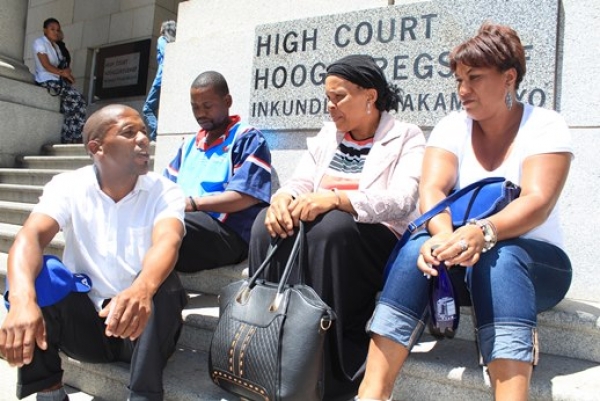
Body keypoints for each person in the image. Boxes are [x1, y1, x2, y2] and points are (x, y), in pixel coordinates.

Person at [356, 23, 573, 401]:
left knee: (502, 257)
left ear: (509, 78)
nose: (463, 90)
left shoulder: (545, 125)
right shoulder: (452, 126)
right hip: (464, 259)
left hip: (536, 267)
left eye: (474, 78)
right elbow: (433, 190)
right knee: (414, 250)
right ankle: (371, 394)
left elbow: (537, 201)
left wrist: (482, 232)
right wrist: (443, 239)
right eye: (458, 79)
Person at [248, 54, 425, 400]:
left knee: (333, 227)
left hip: (374, 238)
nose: (330, 106)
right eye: (328, 98)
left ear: (370, 97)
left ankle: (331, 366)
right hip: (327, 233)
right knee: (263, 225)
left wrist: (338, 199)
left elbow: (402, 200)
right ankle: (267, 345)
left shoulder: (406, 136)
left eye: (339, 96)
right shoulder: (329, 135)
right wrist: (282, 200)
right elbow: (299, 181)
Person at [0, 105, 187, 401]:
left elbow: (168, 241)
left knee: (163, 281)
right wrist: (21, 301)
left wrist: (141, 289)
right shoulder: (69, 185)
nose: (143, 139)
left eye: (145, 132)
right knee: (41, 273)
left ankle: (144, 396)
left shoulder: (164, 191)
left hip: (143, 328)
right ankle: (48, 391)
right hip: (87, 327)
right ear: (96, 147)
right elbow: (30, 237)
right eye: (129, 132)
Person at [164, 71, 272, 273]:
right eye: (195, 107)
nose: (200, 113)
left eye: (207, 106)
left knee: (167, 225)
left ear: (227, 101)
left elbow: (246, 196)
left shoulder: (247, 138)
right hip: (189, 224)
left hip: (228, 233)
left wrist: (192, 204)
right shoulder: (188, 145)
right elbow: (165, 188)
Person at [32, 18, 87, 144]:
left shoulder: (56, 46)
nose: (55, 32)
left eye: (58, 30)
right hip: (46, 80)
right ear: (45, 30)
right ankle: (74, 135)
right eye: (52, 29)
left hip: (58, 80)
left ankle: (70, 135)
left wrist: (68, 76)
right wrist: (63, 73)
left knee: (71, 107)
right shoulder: (39, 42)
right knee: (78, 100)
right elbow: (46, 65)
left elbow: (61, 67)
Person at [142, 20, 176, 142]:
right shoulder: (175, 42)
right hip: (172, 79)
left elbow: (166, 54)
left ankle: (157, 134)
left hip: (161, 79)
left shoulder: (162, 39)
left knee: (147, 109)